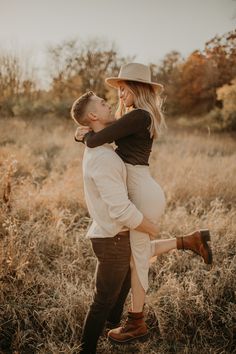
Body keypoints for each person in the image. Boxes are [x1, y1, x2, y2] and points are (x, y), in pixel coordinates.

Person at [74, 63, 213, 345]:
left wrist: (84, 134)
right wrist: (86, 131)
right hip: (140, 187)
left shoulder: (139, 115)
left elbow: (96, 139)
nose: (119, 93)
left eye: (124, 87)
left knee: (137, 260)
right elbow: (101, 130)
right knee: (135, 253)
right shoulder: (134, 116)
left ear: (137, 88)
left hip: (140, 190)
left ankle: (136, 322)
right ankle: (190, 241)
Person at [71, 91, 162, 354]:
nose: (110, 103)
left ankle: (114, 327)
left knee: (121, 285)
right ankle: (85, 349)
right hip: (113, 238)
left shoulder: (104, 150)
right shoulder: (105, 158)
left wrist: (84, 135)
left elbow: (94, 137)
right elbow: (121, 210)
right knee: (102, 300)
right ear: (93, 116)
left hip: (113, 235)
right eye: (103, 103)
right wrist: (149, 226)